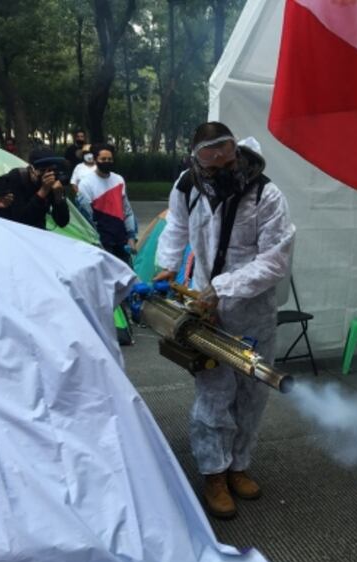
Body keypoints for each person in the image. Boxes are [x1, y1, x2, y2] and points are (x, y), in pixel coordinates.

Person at [154, 122, 295, 519]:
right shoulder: (187, 186)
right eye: (207, 161)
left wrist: (226, 285)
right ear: (195, 160)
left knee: (253, 391)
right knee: (215, 392)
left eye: (225, 158)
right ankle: (213, 472)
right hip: (206, 309)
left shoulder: (266, 194)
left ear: (236, 153)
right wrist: (167, 265)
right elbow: (177, 227)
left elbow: (275, 259)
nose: (216, 168)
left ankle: (238, 464)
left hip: (253, 310)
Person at [76, 143, 137, 262]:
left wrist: (131, 236)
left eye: (110, 159)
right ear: (95, 159)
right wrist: (96, 242)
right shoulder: (85, 184)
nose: (107, 162)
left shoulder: (119, 180)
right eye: (103, 159)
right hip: (102, 241)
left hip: (121, 239)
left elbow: (127, 211)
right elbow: (86, 217)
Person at [0, 147, 69, 230]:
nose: (49, 175)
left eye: (52, 170)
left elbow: (62, 222)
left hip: (38, 231)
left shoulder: (54, 182)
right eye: (43, 170)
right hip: (10, 229)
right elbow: (21, 221)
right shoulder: (17, 178)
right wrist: (43, 191)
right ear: (31, 170)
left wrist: (59, 199)